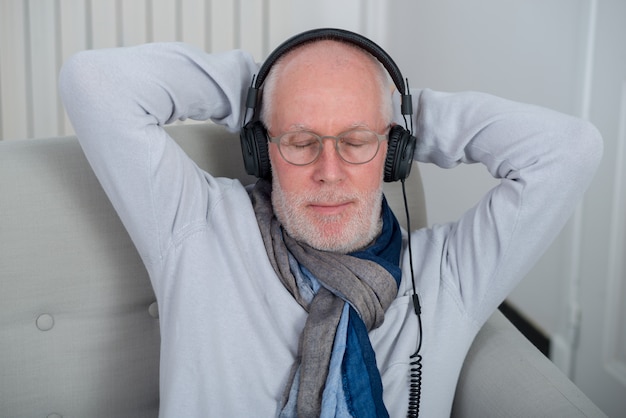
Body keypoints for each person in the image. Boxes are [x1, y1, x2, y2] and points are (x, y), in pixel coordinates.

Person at [59, 28, 602, 418]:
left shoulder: (448, 275)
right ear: (259, 147)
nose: (329, 171)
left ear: (394, 154)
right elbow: (95, 83)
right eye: (299, 141)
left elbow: (570, 150)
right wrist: (264, 90)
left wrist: (403, 114)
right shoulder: (196, 226)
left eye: (357, 141)